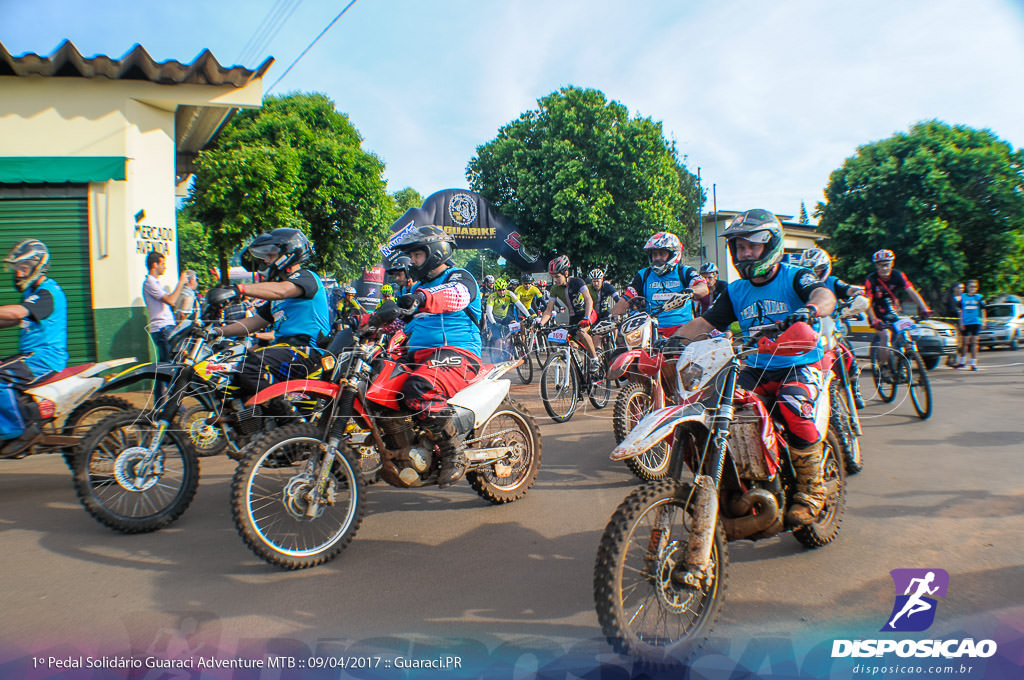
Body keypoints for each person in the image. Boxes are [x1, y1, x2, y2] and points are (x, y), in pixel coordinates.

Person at [669, 209, 838, 526]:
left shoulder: (794, 276)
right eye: (739, 246)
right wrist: (672, 341)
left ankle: (812, 489)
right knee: (717, 409)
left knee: (793, 403)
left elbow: (823, 294)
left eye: (752, 246)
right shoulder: (735, 290)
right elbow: (707, 321)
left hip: (798, 363)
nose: (745, 253)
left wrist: (809, 310)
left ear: (770, 245)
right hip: (756, 367)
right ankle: (739, 482)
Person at [391, 225, 483, 488]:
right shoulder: (417, 287)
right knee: (376, 379)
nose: (412, 262)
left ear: (434, 253)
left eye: (417, 255)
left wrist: (421, 297)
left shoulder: (459, 278)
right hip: (420, 356)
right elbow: (401, 323)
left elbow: (455, 296)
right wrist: (369, 320)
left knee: (418, 389)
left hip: (458, 354)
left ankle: (454, 452)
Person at [203, 229, 330, 405]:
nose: (266, 261)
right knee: (229, 369)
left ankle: (288, 416)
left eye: (270, 255)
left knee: (250, 366)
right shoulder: (276, 301)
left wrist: (239, 289)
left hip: (306, 352)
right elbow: (253, 322)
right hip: (284, 351)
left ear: (287, 255)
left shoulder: (307, 278)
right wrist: (215, 331)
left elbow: (282, 290)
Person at [0, 240, 68, 454]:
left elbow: (18, 313)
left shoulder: (47, 292)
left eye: (23, 268)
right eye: (17, 269)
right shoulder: (32, 291)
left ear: (37, 266)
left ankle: (17, 432)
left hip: (45, 358)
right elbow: (12, 320)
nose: (18, 274)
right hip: (31, 356)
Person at [798, 247, 866, 408]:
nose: (815, 274)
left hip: (832, 326)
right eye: (810, 270)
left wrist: (857, 293)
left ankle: (855, 389)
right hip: (809, 330)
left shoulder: (832, 281)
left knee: (847, 353)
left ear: (826, 268)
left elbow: (847, 289)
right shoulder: (800, 283)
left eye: (818, 270)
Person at [610, 231, 709, 337]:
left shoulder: (684, 271)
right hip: (651, 331)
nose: (657, 258)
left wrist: (690, 292)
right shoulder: (643, 275)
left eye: (662, 254)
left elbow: (703, 288)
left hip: (682, 329)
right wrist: (609, 318)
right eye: (654, 254)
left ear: (673, 254)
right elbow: (626, 299)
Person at [864, 249, 932, 373]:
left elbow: (912, 292)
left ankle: (905, 360)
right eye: (880, 265)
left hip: (892, 311)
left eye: (887, 264)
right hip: (876, 313)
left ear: (892, 264)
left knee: (904, 333)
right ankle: (883, 367)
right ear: (876, 265)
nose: (884, 268)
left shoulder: (897, 275)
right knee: (885, 335)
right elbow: (867, 303)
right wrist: (874, 319)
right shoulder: (871, 279)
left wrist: (924, 308)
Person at [537, 255, 601, 375]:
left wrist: (587, 317)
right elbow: (548, 310)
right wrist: (541, 323)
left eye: (557, 276)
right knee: (571, 345)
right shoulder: (555, 289)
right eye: (552, 277)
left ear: (566, 273)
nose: (554, 280)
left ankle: (595, 360)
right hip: (574, 318)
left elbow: (588, 300)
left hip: (588, 313)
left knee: (582, 332)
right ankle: (579, 376)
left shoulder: (577, 282)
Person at [142, 251, 192, 399]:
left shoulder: (155, 283)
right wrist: (181, 282)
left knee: (167, 366)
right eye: (162, 264)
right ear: (154, 264)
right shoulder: (150, 283)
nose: (164, 267)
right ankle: (164, 403)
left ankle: (165, 401)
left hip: (165, 328)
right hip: (163, 329)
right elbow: (170, 300)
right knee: (166, 368)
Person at [485, 278, 531, 349]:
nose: (502, 292)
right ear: (496, 290)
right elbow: (489, 311)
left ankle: (513, 344)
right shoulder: (492, 297)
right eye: (499, 290)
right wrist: (494, 323)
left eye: (503, 289)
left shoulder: (510, 294)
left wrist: (528, 316)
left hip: (505, 317)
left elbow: (520, 305)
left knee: (515, 326)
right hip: (494, 319)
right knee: (499, 341)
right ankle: (498, 355)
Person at [955, 279, 986, 371]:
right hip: (966, 322)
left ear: (977, 288)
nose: (973, 288)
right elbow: (960, 311)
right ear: (967, 288)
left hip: (976, 322)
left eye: (975, 287)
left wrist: (984, 321)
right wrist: (961, 323)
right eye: (971, 286)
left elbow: (983, 310)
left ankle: (973, 363)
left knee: (974, 342)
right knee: (964, 343)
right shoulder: (963, 297)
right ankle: (962, 362)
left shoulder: (979, 297)